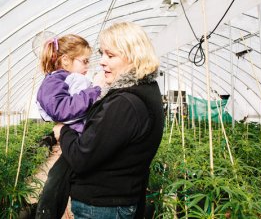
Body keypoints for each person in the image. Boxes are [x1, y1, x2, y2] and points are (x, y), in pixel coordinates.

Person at [53, 21, 165, 219]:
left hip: (102, 207)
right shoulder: (145, 91)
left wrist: (63, 131)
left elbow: (81, 157)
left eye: (110, 55)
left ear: (134, 58)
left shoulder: (125, 103)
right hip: (114, 202)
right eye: (102, 53)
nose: (102, 61)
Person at [35, 34, 104, 219]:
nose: (87, 66)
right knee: (56, 182)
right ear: (65, 60)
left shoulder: (65, 80)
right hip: (74, 141)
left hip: (77, 141)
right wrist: (94, 91)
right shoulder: (54, 81)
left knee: (61, 177)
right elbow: (62, 109)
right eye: (84, 61)